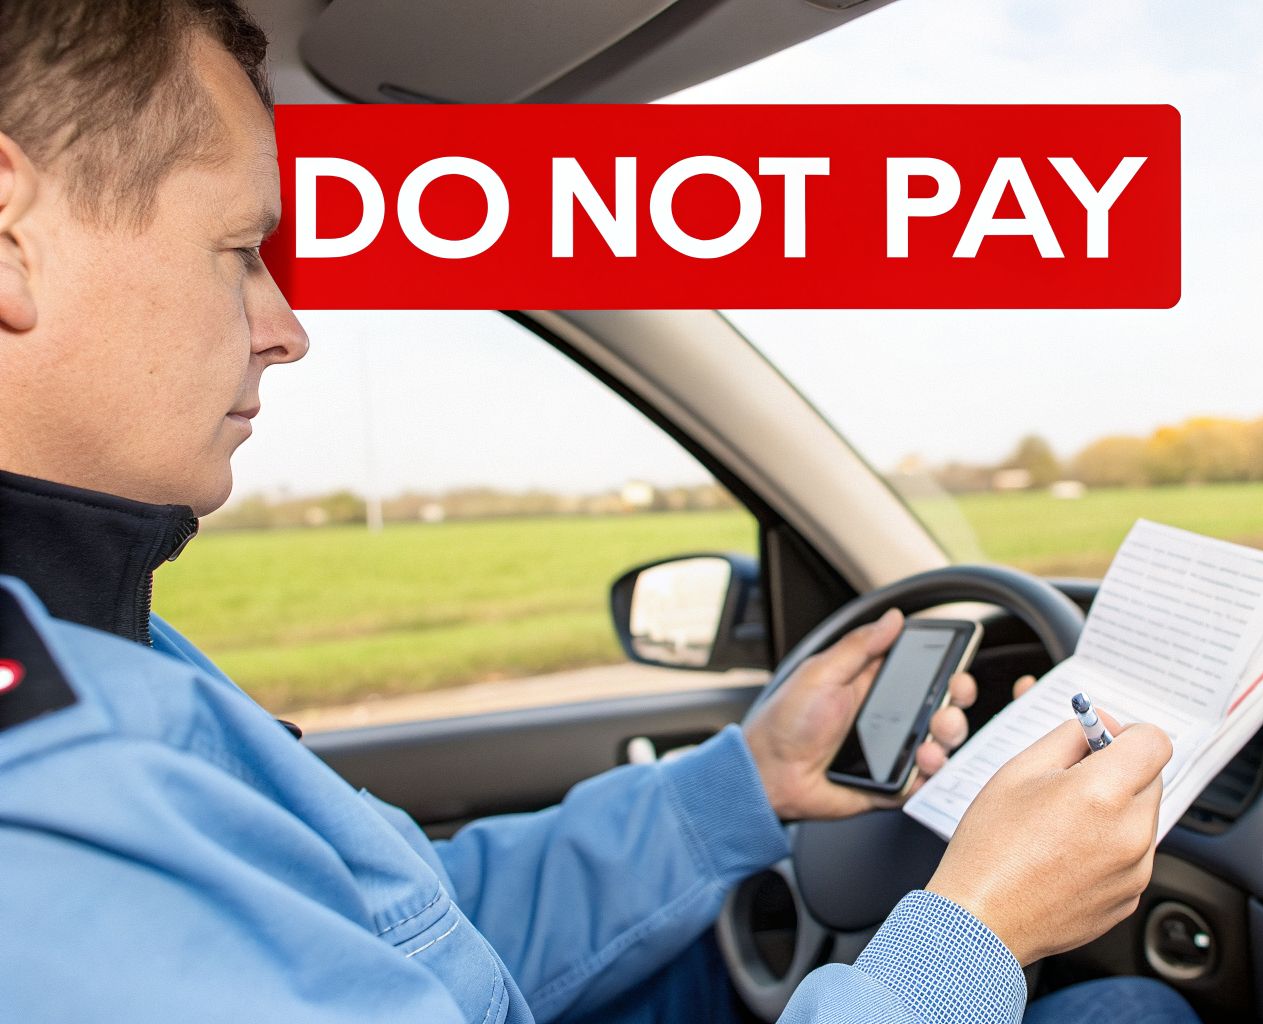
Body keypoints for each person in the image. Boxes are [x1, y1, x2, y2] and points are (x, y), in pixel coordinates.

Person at [0, 2, 1198, 1022]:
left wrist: (750, 777)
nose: (288, 325)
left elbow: (415, 922)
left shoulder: (96, 638)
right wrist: (971, 934)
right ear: (11, 234)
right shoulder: (42, 791)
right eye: (240, 250)